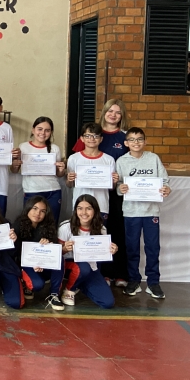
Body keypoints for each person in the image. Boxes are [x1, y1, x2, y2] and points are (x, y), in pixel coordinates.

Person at [72, 99, 130, 286]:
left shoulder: (125, 137)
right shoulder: (93, 132)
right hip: (91, 193)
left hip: (115, 191)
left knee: (115, 232)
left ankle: (119, 273)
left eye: (118, 112)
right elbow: (75, 162)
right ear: (104, 112)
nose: (113, 115)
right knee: (93, 232)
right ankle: (99, 273)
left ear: (122, 116)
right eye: (110, 111)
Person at [116, 127, 171, 299]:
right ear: (126, 143)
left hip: (151, 211)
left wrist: (166, 188)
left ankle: (153, 282)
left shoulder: (153, 158)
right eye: (132, 139)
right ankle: (134, 280)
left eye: (139, 139)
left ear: (145, 141)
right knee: (132, 248)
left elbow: (165, 181)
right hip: (131, 211)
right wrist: (120, 188)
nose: (136, 142)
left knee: (152, 248)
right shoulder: (121, 161)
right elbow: (117, 184)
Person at [58, 195, 118, 309]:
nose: (84, 212)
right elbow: (55, 256)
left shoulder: (101, 229)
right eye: (80, 208)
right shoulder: (65, 227)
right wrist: (64, 248)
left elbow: (102, 255)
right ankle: (69, 290)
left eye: (88, 208)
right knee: (83, 267)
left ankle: (80, 284)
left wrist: (111, 250)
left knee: (107, 302)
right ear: (75, 210)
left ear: (95, 210)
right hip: (68, 266)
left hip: (91, 268)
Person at [13, 196, 65, 311]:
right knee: (37, 285)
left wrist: (49, 245)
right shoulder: (18, 225)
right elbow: (14, 254)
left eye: (42, 211)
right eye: (35, 208)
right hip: (25, 265)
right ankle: (25, 283)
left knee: (59, 257)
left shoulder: (49, 227)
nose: (38, 213)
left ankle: (54, 294)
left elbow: (53, 253)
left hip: (43, 265)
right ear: (28, 208)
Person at [10, 117, 66, 222]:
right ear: (33, 130)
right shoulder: (23, 147)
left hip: (53, 191)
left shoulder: (55, 148)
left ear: (51, 132)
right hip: (32, 191)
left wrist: (61, 170)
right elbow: (14, 170)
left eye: (47, 130)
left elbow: (59, 174)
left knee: (51, 224)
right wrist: (15, 165)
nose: (43, 133)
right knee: (31, 224)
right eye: (40, 129)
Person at [65, 123, 118, 222]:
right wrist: (69, 180)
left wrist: (114, 182)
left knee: (100, 232)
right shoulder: (73, 158)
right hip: (80, 206)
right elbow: (69, 185)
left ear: (101, 139)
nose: (92, 139)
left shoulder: (109, 159)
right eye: (88, 136)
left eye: (96, 136)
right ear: (82, 138)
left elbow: (112, 188)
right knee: (80, 232)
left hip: (101, 205)